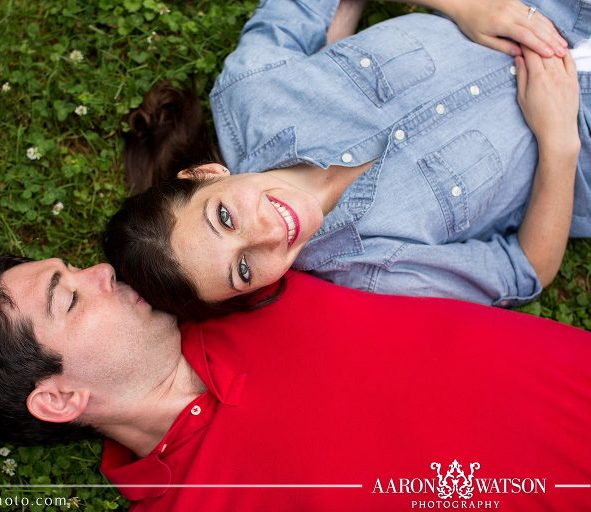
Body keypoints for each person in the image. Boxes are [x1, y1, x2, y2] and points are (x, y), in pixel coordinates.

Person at [0, 256, 591, 511]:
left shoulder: (224, 280)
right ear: (59, 398)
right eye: (69, 299)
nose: (102, 270)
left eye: (75, 267)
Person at [103, 0, 591, 321]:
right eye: (244, 270)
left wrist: (463, 7)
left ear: (206, 175)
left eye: (225, 218)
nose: (269, 234)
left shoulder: (252, 94)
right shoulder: (372, 273)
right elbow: (524, 269)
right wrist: (559, 140)